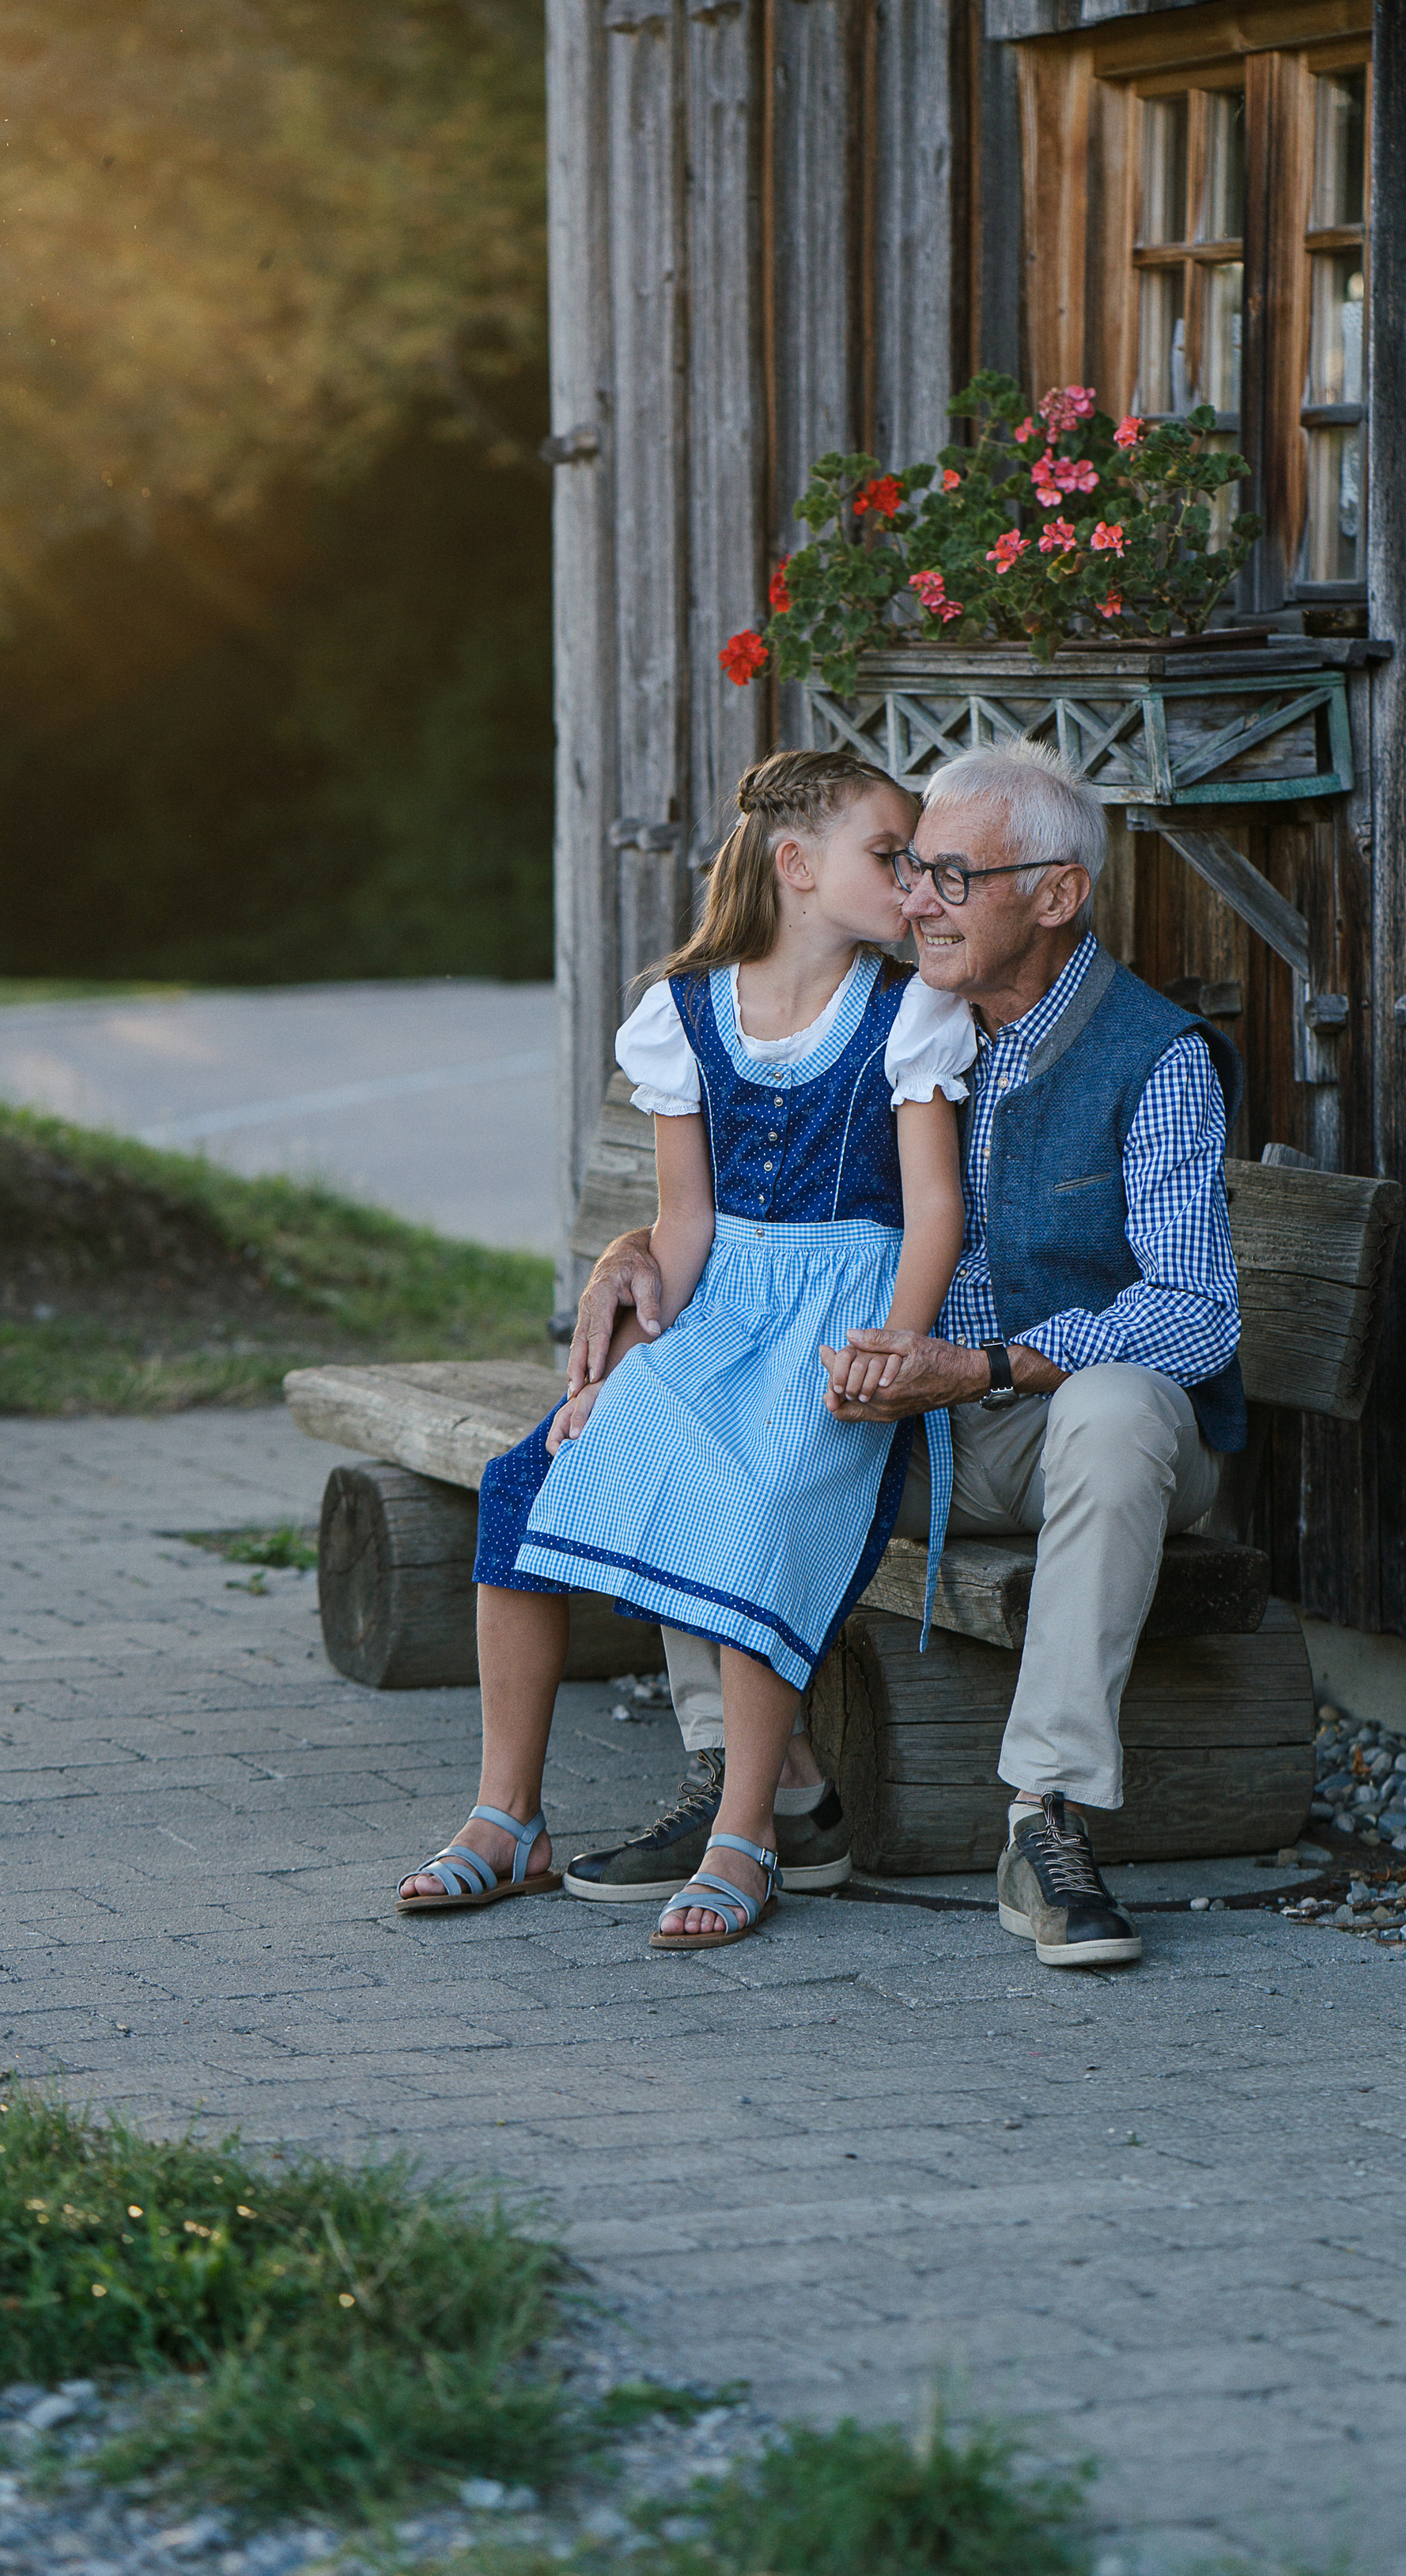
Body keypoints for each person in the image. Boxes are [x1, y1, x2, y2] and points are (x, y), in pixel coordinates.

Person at [569, 738, 1243, 1971]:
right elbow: (745, 1204)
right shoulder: (889, 1016)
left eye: (952, 876)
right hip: (891, 1428)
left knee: (1124, 1404)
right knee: (691, 1398)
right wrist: (633, 1250)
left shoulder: (1154, 1060)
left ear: (1054, 896)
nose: (917, 898)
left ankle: (1047, 1822)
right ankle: (768, 1793)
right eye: (913, 867)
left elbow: (1198, 1312)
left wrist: (988, 1367)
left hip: (1048, 1442)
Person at [395, 749, 974, 1947]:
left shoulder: (910, 1011)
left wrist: (897, 1347)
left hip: (844, 1325)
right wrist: (628, 1356)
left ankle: (746, 1832)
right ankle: (509, 1818)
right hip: (722, 1315)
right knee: (530, 1475)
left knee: (761, 1505)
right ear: (796, 865)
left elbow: (934, 1214)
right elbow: (687, 1224)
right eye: (890, 854)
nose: (914, 879)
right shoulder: (686, 1012)